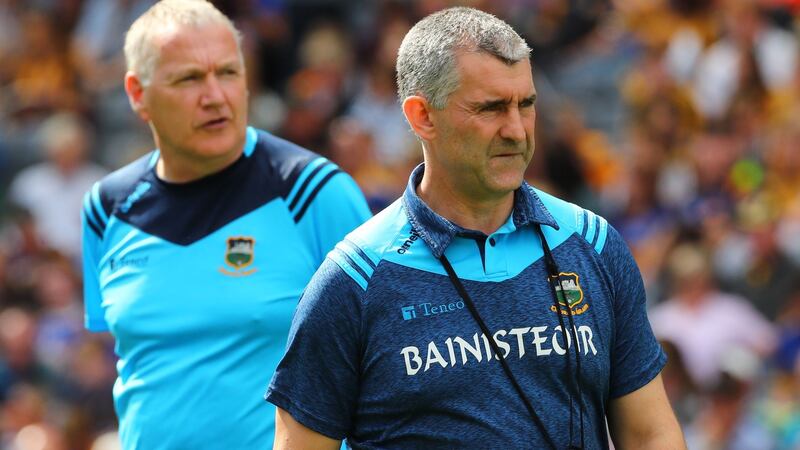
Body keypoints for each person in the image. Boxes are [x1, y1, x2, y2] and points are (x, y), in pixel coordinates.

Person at [266, 7, 685, 449]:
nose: (517, 131)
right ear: (422, 116)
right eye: (491, 108)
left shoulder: (592, 244)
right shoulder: (354, 278)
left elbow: (649, 432)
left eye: (526, 104)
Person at [80, 1, 371, 448]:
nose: (215, 95)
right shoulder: (105, 208)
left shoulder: (314, 193)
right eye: (189, 78)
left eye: (229, 73)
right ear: (138, 95)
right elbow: (139, 362)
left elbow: (384, 362)